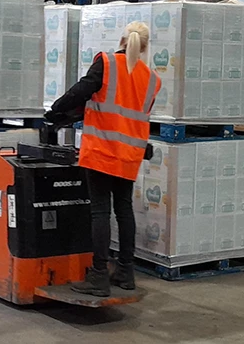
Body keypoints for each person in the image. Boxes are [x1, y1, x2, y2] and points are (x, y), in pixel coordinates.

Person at [46, 21, 161, 297]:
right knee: (124, 210)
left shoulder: (106, 63)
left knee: (100, 211)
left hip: (101, 151)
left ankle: (98, 275)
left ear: (122, 39)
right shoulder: (152, 79)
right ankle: (125, 271)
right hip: (130, 154)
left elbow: (81, 91)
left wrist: (55, 111)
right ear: (145, 47)